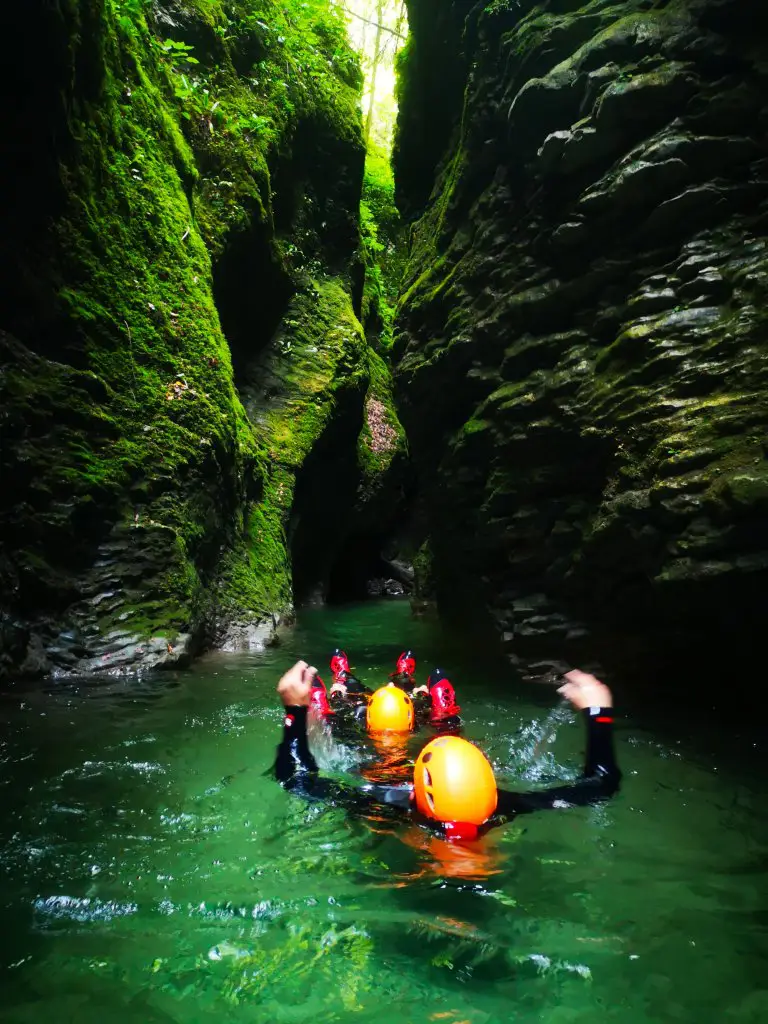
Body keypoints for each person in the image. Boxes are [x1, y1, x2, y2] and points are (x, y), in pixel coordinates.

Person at [274, 661, 621, 840]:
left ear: (417, 791)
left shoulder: (393, 805)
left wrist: (295, 712)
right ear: (487, 785)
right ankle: (437, 706)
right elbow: (600, 785)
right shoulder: (504, 806)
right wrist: (598, 713)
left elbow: (295, 779)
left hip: (416, 869)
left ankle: (336, 693)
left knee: (353, 740)